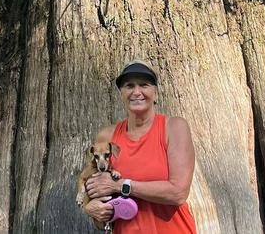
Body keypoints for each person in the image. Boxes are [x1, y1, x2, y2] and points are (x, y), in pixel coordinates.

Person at [84, 60, 197, 233]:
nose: (137, 92)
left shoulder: (174, 127)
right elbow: (96, 192)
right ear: (121, 94)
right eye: (129, 86)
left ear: (156, 93)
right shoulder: (106, 138)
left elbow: (178, 193)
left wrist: (120, 185)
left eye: (144, 85)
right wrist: (92, 209)